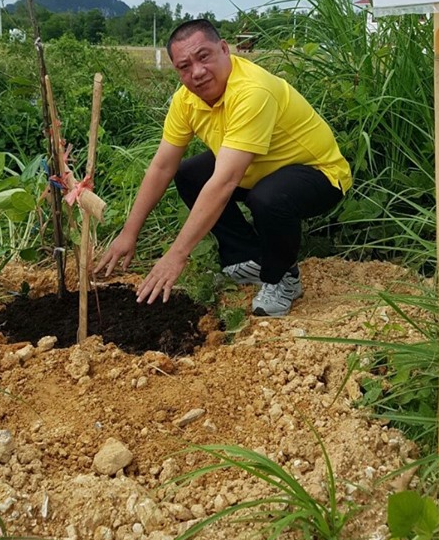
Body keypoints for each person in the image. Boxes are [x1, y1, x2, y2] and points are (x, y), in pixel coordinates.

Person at [95, 19, 352, 317]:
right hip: (259, 169)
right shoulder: (186, 100)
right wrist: (129, 232)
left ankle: (282, 278)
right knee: (190, 175)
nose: (198, 72)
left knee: (267, 198)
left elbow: (226, 181)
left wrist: (177, 255)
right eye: (184, 66)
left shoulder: (252, 91)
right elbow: (162, 166)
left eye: (203, 57)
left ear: (224, 49)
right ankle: (247, 259)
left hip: (319, 175)